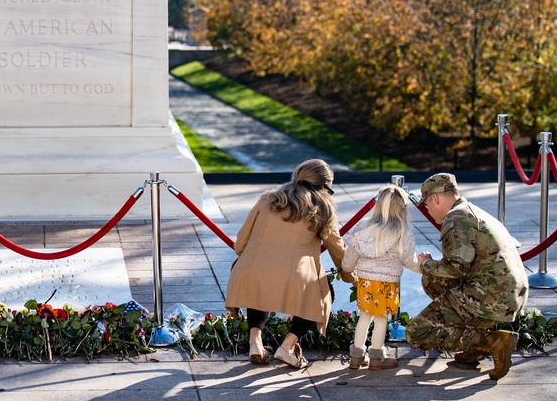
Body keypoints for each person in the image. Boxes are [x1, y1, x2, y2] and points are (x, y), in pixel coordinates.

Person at [225, 158, 353, 368]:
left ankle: (255, 342)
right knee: (324, 291)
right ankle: (288, 346)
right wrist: (352, 278)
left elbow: (240, 244)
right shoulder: (323, 209)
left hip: (250, 271)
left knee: (261, 284)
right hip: (296, 277)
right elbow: (339, 251)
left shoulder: (268, 199)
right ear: (323, 187)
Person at [406, 173, 529, 380]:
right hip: (509, 295)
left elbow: (455, 268)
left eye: (426, 203)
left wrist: (425, 263)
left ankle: (489, 341)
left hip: (491, 297)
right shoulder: (473, 212)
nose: (426, 209)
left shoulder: (456, 218)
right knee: (434, 281)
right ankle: (476, 345)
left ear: (435, 198)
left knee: (417, 332)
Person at [341, 185, 421, 370]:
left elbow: (351, 254)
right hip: (386, 283)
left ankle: (356, 356)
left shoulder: (364, 227)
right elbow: (409, 260)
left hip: (365, 280)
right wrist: (425, 266)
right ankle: (376, 357)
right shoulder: (402, 231)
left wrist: (347, 268)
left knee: (364, 317)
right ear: (401, 207)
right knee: (381, 319)